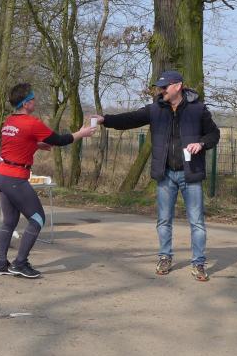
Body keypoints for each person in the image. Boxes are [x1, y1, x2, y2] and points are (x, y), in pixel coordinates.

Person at [93, 70, 220, 281]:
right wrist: (105, 119)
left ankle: (198, 263)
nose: (161, 90)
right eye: (159, 87)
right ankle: (164, 257)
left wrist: (201, 143)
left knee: (197, 222)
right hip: (165, 174)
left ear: (178, 86)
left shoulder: (198, 109)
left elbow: (214, 134)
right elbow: (130, 119)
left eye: (164, 87)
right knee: (163, 220)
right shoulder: (155, 109)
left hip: (191, 174)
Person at [0, 83, 97, 279]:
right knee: (37, 218)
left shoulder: (9, 121)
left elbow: (15, 143)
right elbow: (59, 140)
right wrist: (81, 133)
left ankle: (0, 263)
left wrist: (36, 145)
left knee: (10, 221)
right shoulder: (32, 123)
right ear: (26, 103)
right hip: (15, 178)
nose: (35, 101)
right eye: (33, 99)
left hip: (1, 174)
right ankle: (19, 263)